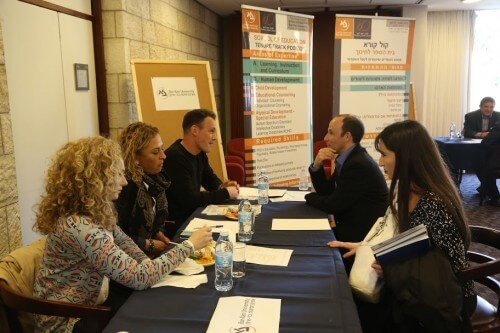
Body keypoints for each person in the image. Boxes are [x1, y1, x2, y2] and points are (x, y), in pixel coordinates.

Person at [33, 136, 212, 333]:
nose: (125, 181)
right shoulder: (80, 227)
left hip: (91, 304)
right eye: (118, 174)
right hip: (69, 321)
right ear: (96, 179)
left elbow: (125, 243)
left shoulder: (96, 211)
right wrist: (189, 246)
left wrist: (147, 263)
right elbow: (139, 277)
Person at [329, 120, 476, 332]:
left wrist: (390, 266)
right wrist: (366, 246)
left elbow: (442, 268)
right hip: (415, 287)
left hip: (442, 301)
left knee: (357, 312)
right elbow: (403, 242)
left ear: (406, 157)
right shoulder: (406, 191)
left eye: (384, 154)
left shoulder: (434, 203)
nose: (380, 162)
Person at [305, 115, 388, 244]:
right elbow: (326, 192)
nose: (325, 138)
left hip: (361, 237)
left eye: (330, 133)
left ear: (347, 136)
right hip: (350, 228)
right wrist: (317, 166)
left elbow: (333, 205)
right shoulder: (349, 158)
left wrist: (309, 197)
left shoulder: (358, 164)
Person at [162, 109, 239, 234]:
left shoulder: (199, 153)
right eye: (211, 131)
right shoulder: (175, 157)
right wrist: (225, 193)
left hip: (193, 217)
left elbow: (210, 180)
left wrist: (222, 186)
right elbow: (190, 200)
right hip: (178, 225)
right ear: (195, 130)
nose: (215, 138)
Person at [115, 122, 174, 255]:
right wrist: (148, 244)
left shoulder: (156, 179)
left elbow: (153, 222)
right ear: (135, 157)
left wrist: (158, 234)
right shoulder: (125, 186)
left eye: (162, 149)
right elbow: (117, 235)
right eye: (155, 152)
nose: (163, 156)